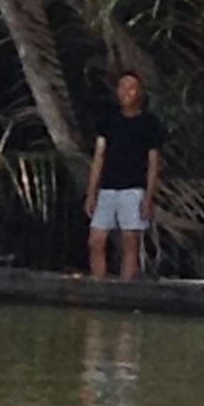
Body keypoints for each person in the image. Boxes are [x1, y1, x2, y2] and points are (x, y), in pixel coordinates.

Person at [85, 72, 163, 280]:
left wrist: (148, 198)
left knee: (130, 242)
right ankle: (99, 285)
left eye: (131, 88)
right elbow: (99, 157)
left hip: (133, 189)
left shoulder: (148, 123)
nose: (126, 92)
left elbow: (153, 163)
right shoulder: (109, 120)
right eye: (122, 87)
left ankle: (125, 286)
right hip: (108, 188)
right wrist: (91, 193)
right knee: (96, 240)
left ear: (139, 92)